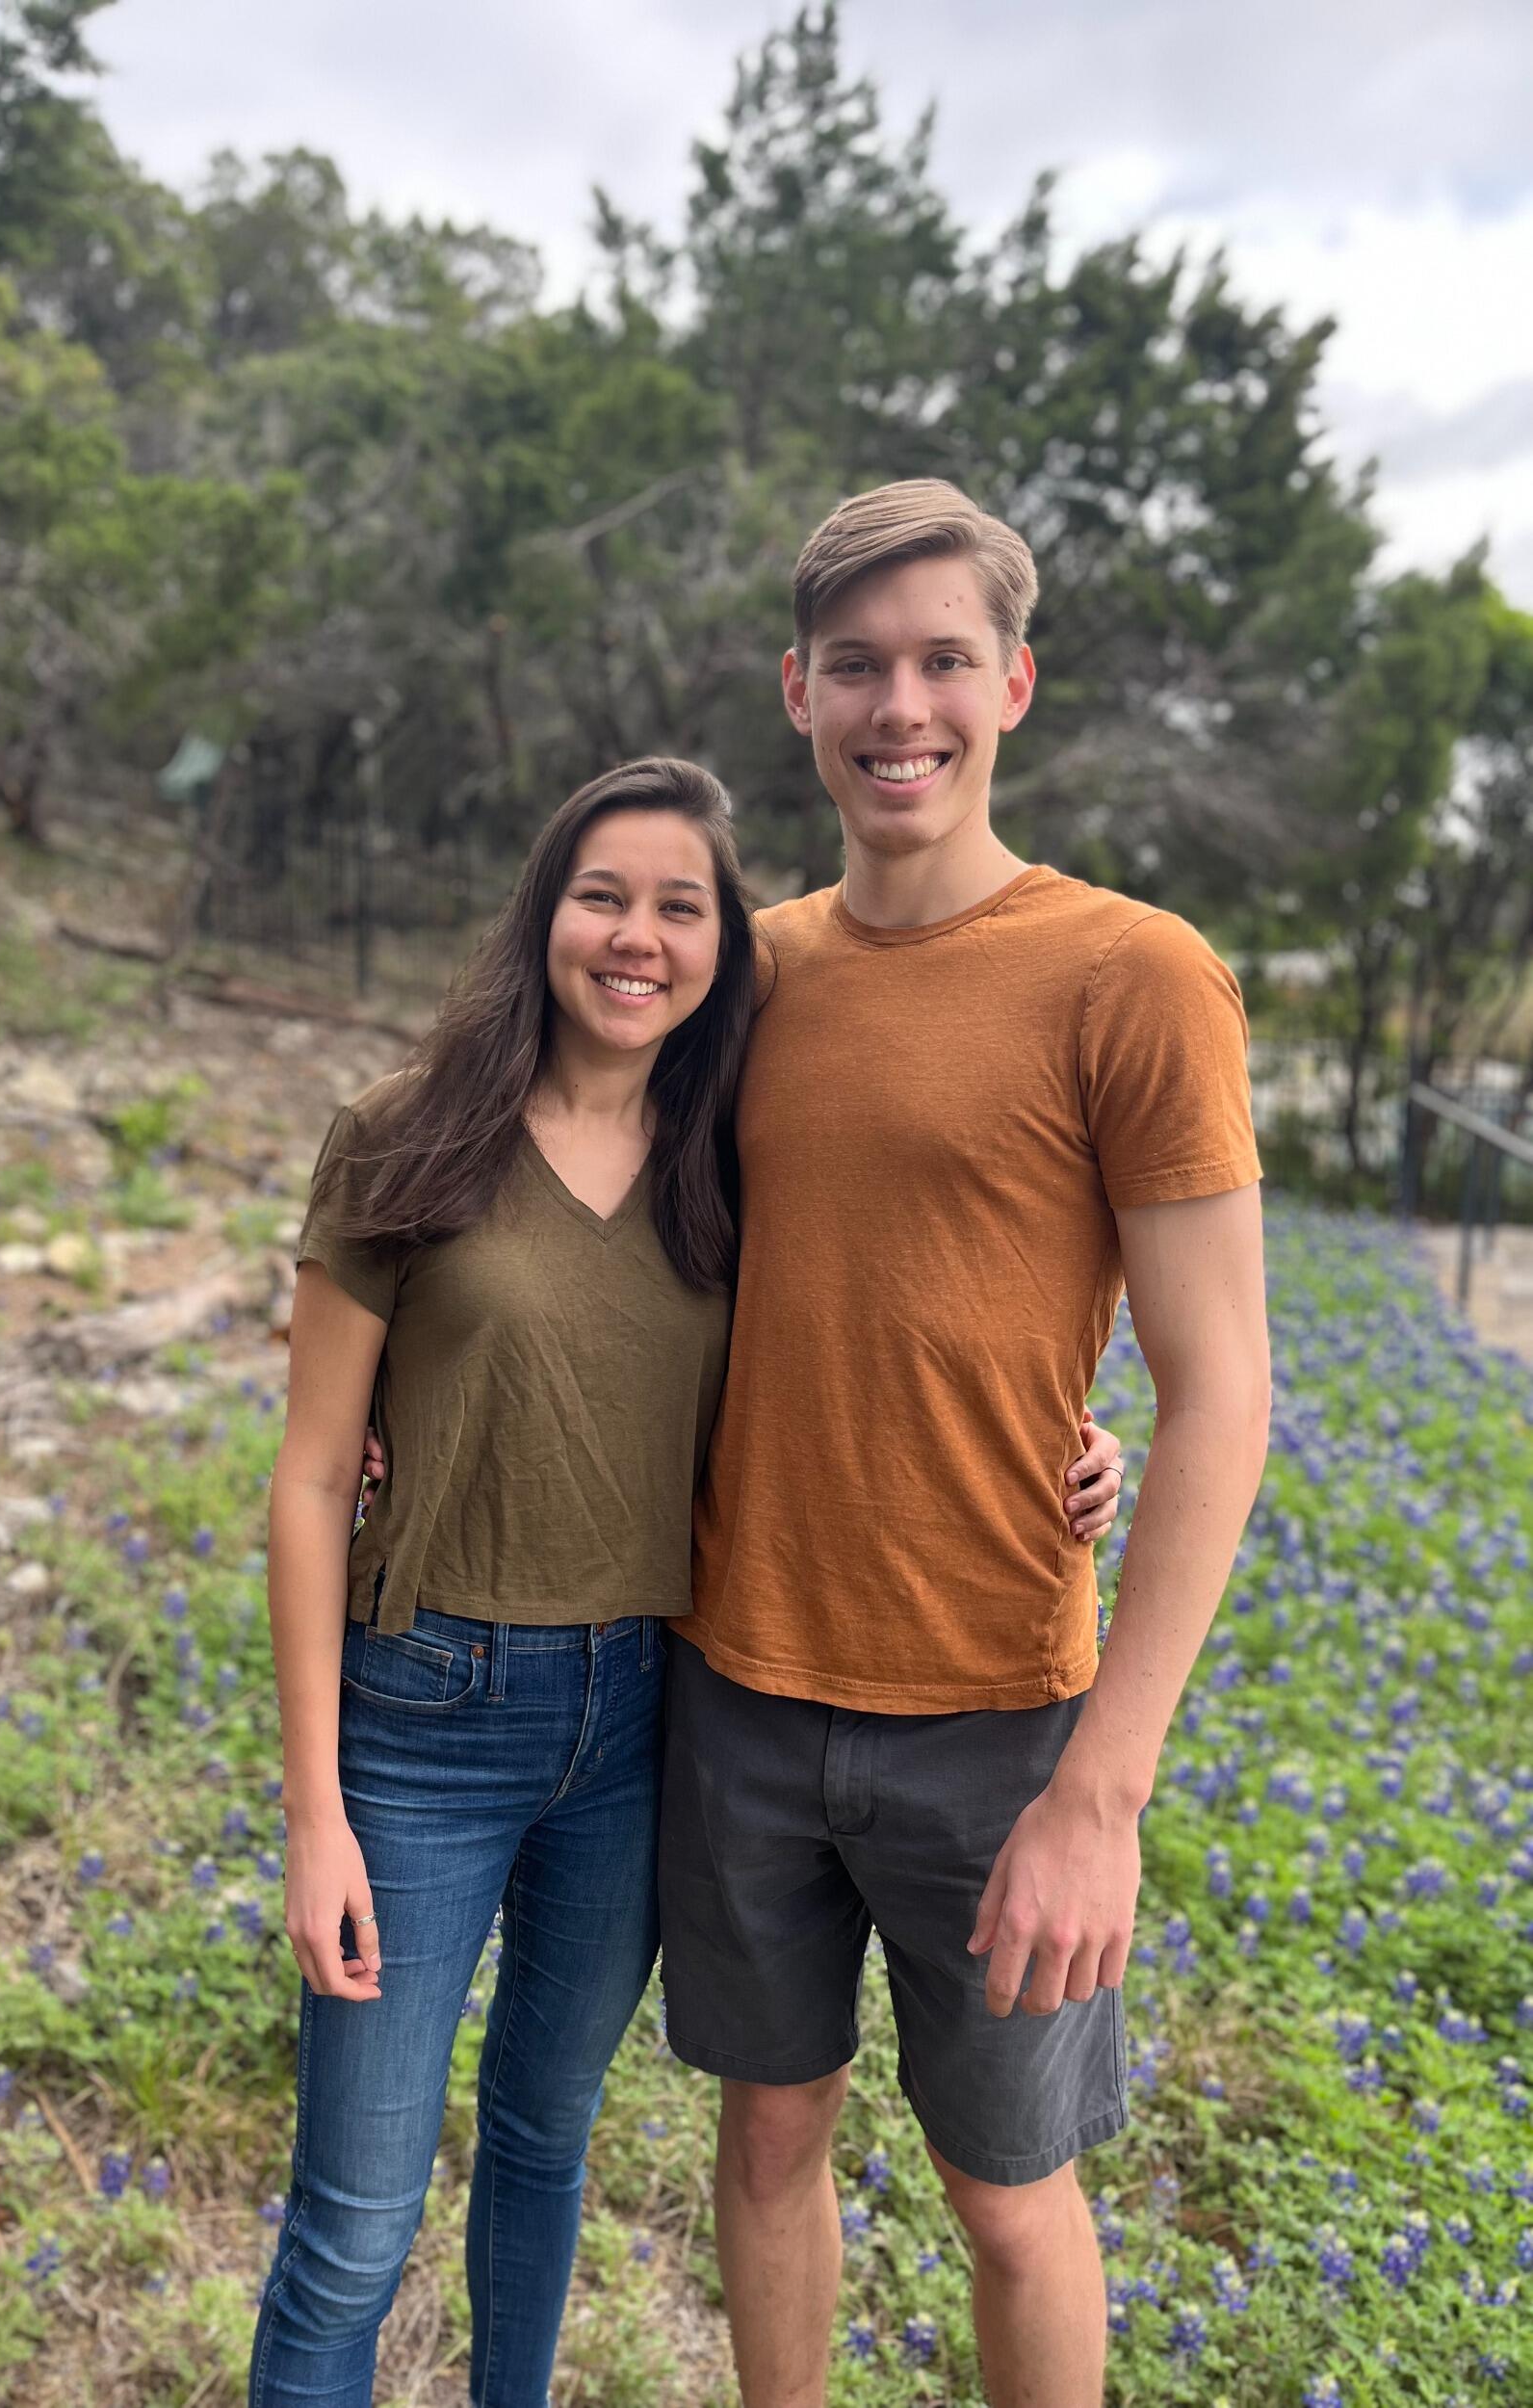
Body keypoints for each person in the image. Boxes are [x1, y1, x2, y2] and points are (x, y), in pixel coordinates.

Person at [247, 753, 1128, 2408]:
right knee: (357, 2226)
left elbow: (880, 1324)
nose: (635, 937)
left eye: (678, 907)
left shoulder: (729, 1147)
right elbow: (307, 1477)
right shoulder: (405, 1134)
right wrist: (314, 1812)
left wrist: (1062, 1442)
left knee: (540, 2153)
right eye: (601, 896)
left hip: (645, 1715)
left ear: (725, 943)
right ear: (543, 916)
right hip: (425, 1716)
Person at [657, 478, 1272, 2408]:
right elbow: (596, 1246)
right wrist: (379, 1416)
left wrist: (1100, 1791)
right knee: (762, 2142)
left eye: (938, 661)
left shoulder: (1128, 972)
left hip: (1000, 1714)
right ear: (794, 689)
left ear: (1009, 683)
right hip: (737, 1677)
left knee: (1007, 2190)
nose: (895, 705)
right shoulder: (735, 972)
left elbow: (1223, 1387)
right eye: (855, 664)